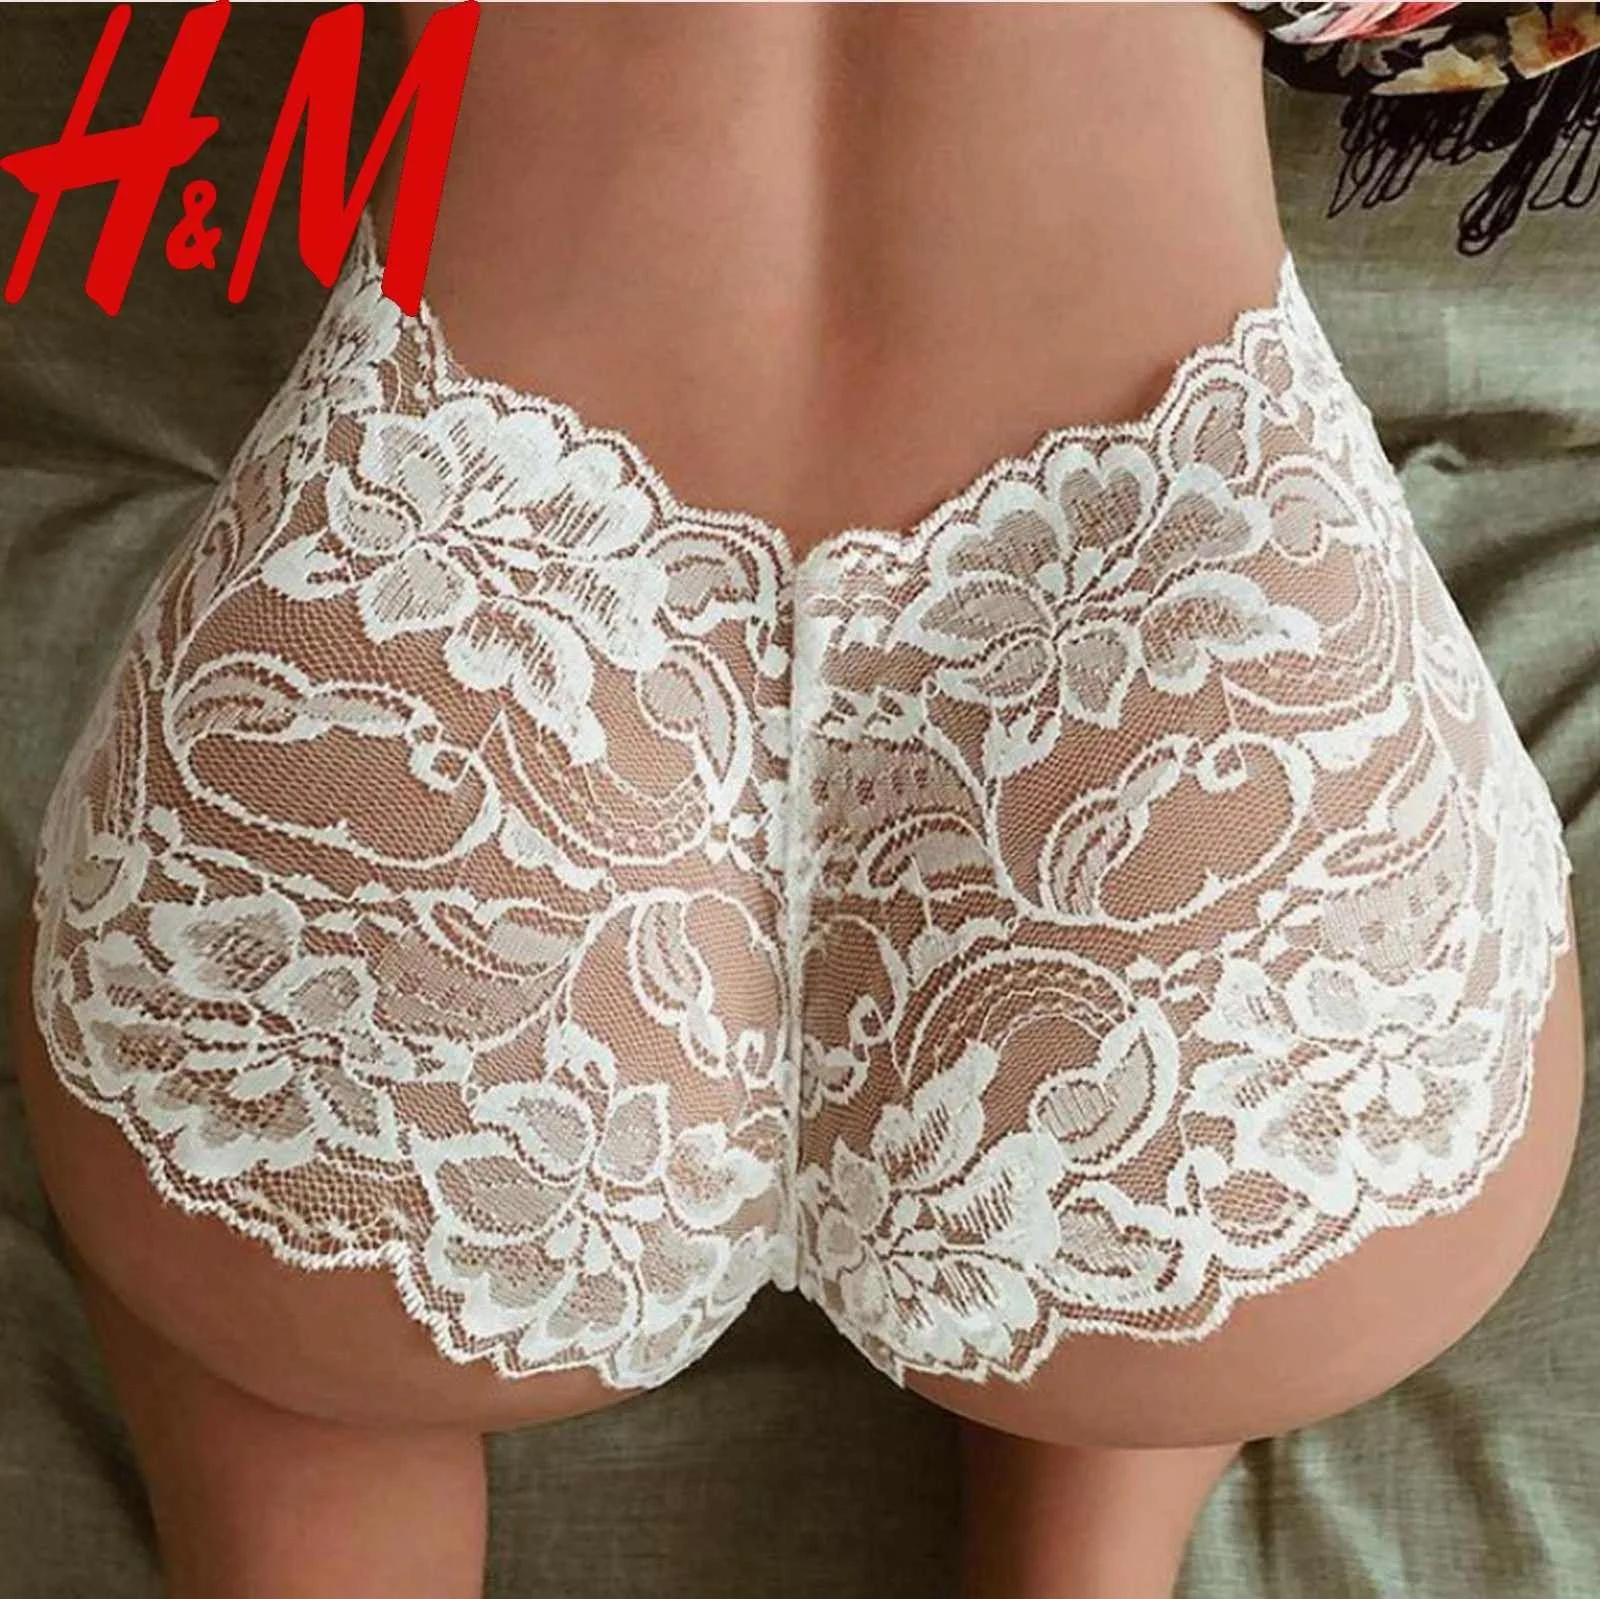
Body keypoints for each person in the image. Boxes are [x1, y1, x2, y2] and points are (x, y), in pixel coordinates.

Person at [10, 5, 1590, 1596]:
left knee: (270, 1328)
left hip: (444, 602)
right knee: (1144, 1169)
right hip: (1169, 661)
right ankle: (1084, 1512)